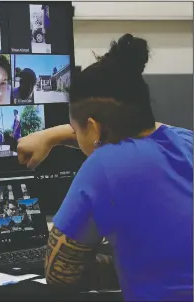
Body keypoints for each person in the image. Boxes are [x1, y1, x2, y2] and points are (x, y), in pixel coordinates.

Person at [17, 34, 193, 301]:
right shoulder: (186, 140)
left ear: (95, 127)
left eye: (76, 130)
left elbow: (59, 275)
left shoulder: (104, 165)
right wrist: (51, 136)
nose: (74, 136)